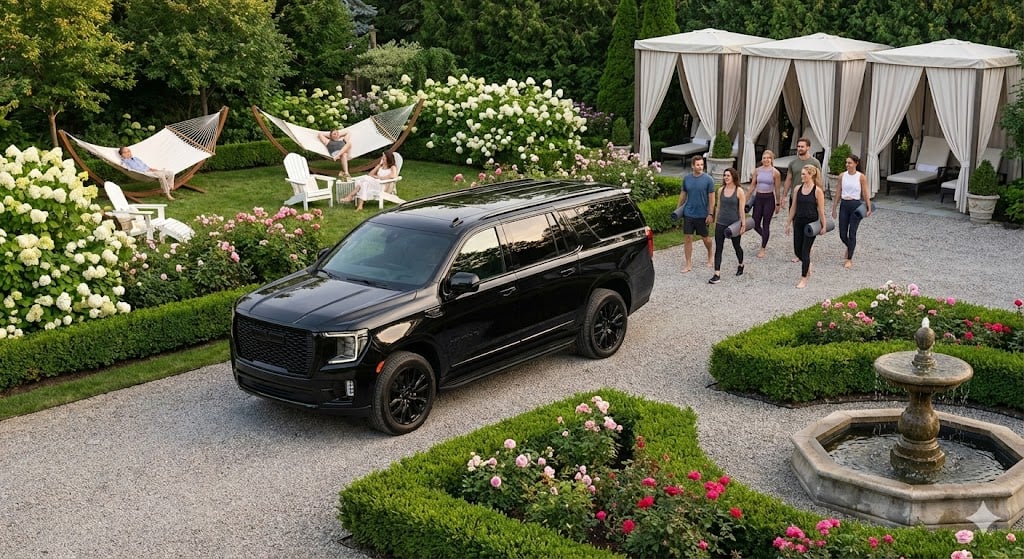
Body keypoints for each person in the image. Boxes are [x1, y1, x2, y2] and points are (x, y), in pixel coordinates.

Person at [784, 165, 827, 289]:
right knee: (797, 251)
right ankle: (808, 265)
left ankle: (803, 278)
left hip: (811, 225)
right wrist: (788, 223)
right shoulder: (797, 188)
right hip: (798, 221)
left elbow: (821, 210)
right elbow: (793, 207)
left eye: (804, 174)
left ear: (811, 175)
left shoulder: (817, 191)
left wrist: (823, 225)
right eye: (801, 174)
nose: (801, 176)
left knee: (805, 251)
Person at [781, 137, 820, 262]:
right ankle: (799, 251)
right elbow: (788, 179)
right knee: (796, 223)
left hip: (810, 199)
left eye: (802, 146)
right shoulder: (793, 163)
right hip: (796, 197)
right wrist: (784, 196)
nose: (800, 148)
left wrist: (819, 197)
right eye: (798, 146)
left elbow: (818, 180)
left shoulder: (815, 162)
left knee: (809, 222)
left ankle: (807, 247)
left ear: (808, 147)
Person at [830, 153, 872, 269]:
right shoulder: (842, 176)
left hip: (855, 205)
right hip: (844, 204)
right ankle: (850, 247)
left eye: (850, 163)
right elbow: (838, 192)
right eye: (846, 163)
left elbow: (865, 193)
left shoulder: (861, 177)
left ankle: (849, 258)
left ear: (856, 164)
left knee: (852, 232)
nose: (847, 165)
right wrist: (834, 208)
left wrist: (868, 207)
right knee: (842, 234)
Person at [676, 155, 716, 273]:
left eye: (702, 164)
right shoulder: (687, 179)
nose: (700, 167)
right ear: (692, 166)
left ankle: (710, 253)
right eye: (698, 165)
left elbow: (712, 199)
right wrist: (677, 210)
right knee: (688, 238)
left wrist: (710, 214)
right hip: (689, 213)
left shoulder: (708, 180)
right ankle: (688, 264)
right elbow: (683, 195)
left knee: (706, 238)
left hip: (702, 214)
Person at [708, 168, 746, 284]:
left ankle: (741, 264)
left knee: (736, 246)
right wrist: (715, 222)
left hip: (734, 224)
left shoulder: (739, 191)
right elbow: (718, 207)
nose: (726, 177)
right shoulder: (721, 190)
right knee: (718, 248)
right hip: (721, 222)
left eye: (728, 175)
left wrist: (743, 224)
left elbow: (741, 210)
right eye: (725, 175)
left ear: (733, 176)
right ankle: (717, 274)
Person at [747, 150, 782, 258]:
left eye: (768, 158)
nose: (766, 160)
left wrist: (778, 203)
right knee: (755, 223)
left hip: (769, 199)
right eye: (764, 158)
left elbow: (777, 189)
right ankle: (765, 236)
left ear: (772, 159)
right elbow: (752, 186)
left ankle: (763, 248)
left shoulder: (775, 172)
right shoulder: (757, 171)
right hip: (758, 198)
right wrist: (745, 199)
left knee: (766, 223)